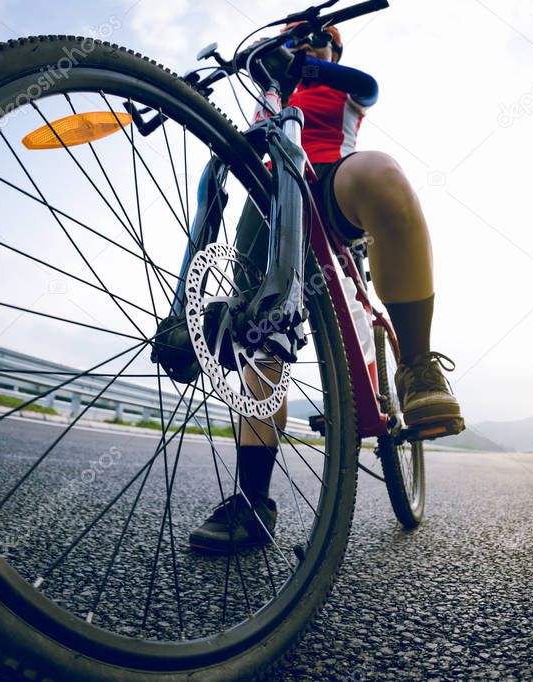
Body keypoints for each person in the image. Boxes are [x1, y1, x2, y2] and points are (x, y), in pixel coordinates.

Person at [188, 25, 463, 554]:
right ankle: (252, 502)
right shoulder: (270, 91)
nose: (308, 43)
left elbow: (368, 85)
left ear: (336, 50)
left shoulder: (342, 85)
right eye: (297, 38)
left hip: (330, 183)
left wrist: (311, 68)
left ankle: (416, 365)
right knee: (259, 351)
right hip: (268, 206)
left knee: (382, 175)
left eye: (322, 38)